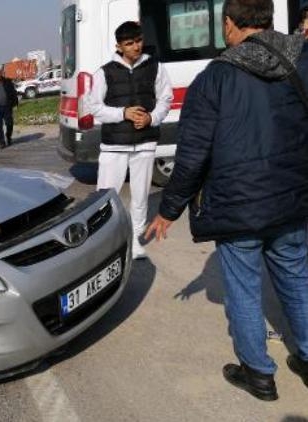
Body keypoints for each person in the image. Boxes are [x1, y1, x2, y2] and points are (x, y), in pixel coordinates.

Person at [146, 0, 308, 401]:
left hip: (237, 206)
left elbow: (192, 155)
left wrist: (169, 210)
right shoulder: (301, 59)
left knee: (243, 290)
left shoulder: (214, 78)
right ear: (270, 20)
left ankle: (258, 375)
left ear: (230, 24)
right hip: (293, 200)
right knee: (298, 279)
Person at [86, 21, 173, 260]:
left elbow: (166, 98)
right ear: (119, 46)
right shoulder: (105, 72)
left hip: (145, 143)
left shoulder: (155, 67)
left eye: (138, 41)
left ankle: (134, 240)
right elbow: (93, 106)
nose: (135, 47)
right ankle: (103, 243)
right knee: (106, 196)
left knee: (140, 196)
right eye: (129, 43)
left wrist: (151, 118)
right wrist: (122, 113)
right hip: (114, 144)